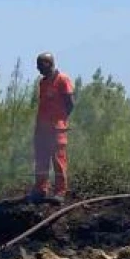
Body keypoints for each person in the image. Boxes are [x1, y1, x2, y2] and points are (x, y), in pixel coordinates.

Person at [30, 52, 74, 204]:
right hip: (42, 128)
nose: (38, 68)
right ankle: (41, 189)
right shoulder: (42, 82)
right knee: (41, 160)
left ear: (48, 64)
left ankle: (60, 192)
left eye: (40, 65)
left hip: (56, 129)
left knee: (58, 160)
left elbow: (70, 104)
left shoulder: (63, 79)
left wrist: (60, 120)